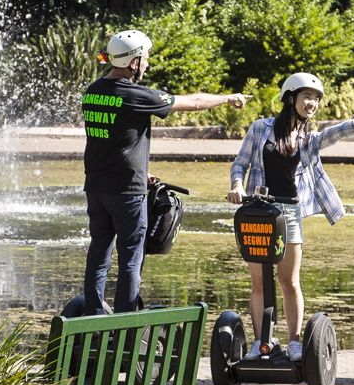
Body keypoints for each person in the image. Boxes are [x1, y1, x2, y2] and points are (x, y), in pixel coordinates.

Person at [227, 72, 354, 361]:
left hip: (289, 213)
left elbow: (344, 129)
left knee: (289, 280)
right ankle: (260, 342)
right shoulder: (260, 129)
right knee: (258, 282)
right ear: (290, 97)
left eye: (317, 99)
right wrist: (236, 186)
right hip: (257, 210)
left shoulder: (309, 139)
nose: (313, 103)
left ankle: (294, 341)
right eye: (307, 96)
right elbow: (240, 164)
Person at [82, 29, 249, 317]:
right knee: (132, 258)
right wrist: (227, 98)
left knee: (99, 255)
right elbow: (193, 103)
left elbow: (112, 139)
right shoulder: (136, 94)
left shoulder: (93, 91)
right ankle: (125, 323)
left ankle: (94, 316)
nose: (146, 63)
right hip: (127, 193)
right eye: (144, 58)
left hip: (96, 188)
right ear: (133, 62)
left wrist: (142, 171)